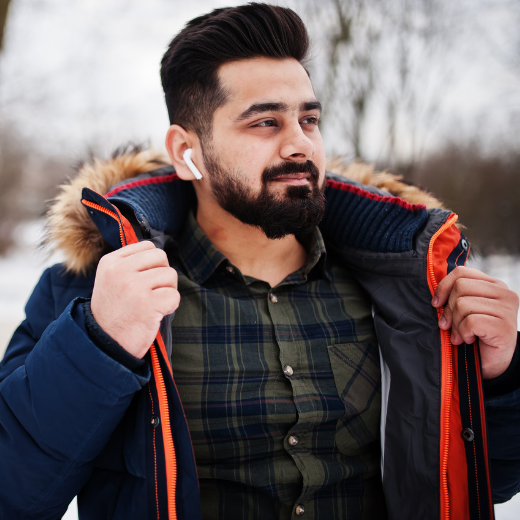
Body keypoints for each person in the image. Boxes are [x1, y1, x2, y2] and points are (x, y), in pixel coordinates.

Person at [0, 4, 519, 520]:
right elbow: (14, 492)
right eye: (265, 122)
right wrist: (99, 342)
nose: (300, 144)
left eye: (309, 119)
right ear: (187, 151)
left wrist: (501, 379)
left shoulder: (409, 286)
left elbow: (483, 483)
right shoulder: (95, 290)